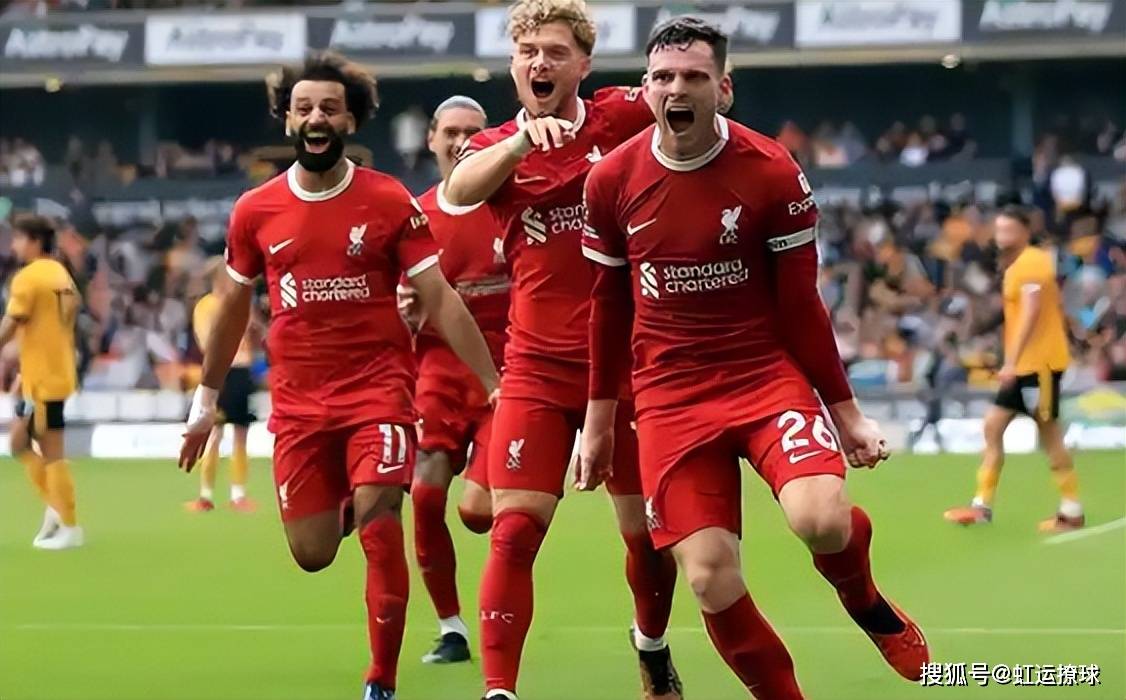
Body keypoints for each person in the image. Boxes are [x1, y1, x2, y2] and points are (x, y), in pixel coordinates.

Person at [578, 18, 929, 698]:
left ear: (724, 89)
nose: (677, 89)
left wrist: (848, 414)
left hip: (762, 377)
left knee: (820, 518)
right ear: (645, 88)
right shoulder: (611, 180)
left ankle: (865, 601)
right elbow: (607, 307)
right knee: (709, 576)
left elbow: (801, 305)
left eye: (694, 77)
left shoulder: (770, 170)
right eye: (663, 77)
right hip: (670, 395)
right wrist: (598, 425)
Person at [176, 51, 500, 700]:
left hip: (379, 394)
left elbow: (439, 298)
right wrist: (204, 403)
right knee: (313, 551)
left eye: (329, 107)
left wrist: (496, 384)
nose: (316, 118)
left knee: (382, 528)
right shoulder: (256, 210)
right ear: (287, 120)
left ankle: (381, 680)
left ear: (350, 120)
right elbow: (233, 309)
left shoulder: (388, 200)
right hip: (299, 406)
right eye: (303, 108)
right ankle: (349, 498)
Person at [443, 2, 681, 698]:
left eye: (554, 52)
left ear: (583, 64)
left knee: (645, 535)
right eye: (528, 53)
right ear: (513, 66)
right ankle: (499, 690)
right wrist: (522, 141)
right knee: (514, 531)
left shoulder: (621, 115)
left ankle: (651, 646)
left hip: (629, 366)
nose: (539, 63)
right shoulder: (495, 144)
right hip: (537, 367)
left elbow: (689, 102)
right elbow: (457, 192)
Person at [397, 95, 507, 665]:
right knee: (425, 495)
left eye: (473, 132)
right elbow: (397, 302)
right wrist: (402, 310)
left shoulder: (510, 206)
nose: (462, 142)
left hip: (507, 374)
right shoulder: (414, 217)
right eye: (452, 132)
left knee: (478, 513)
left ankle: (495, 612)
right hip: (439, 373)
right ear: (432, 140)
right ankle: (452, 628)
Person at [944, 206, 1082, 532]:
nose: (1001, 236)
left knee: (1049, 435)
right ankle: (981, 505)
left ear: (1025, 232)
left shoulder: (1033, 261)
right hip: (1024, 368)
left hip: (1039, 366)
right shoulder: (1017, 265)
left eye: (1008, 230)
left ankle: (1072, 511)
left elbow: (1031, 312)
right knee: (993, 427)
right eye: (999, 230)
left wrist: (1011, 360)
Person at [0, 214, 83, 550]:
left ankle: (69, 524)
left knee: (51, 452)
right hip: (50, 373)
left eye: (18, 238)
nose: (14, 245)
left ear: (34, 241)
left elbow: (11, 323)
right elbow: (61, 320)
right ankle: (56, 507)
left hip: (46, 378)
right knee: (19, 443)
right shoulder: (60, 274)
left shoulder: (29, 277)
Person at [185, 256, 262, 513]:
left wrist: (253, 330)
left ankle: (238, 494)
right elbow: (206, 342)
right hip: (222, 373)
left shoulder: (240, 302)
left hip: (241, 371)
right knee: (214, 433)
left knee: (240, 433)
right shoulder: (207, 306)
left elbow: (255, 337)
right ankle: (206, 495)